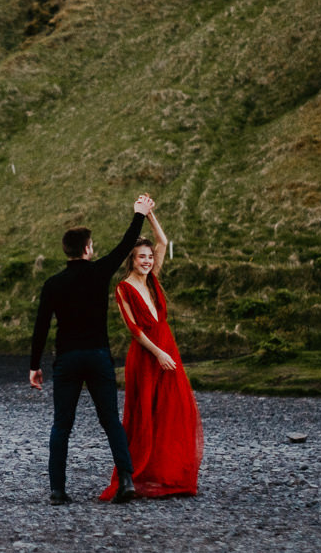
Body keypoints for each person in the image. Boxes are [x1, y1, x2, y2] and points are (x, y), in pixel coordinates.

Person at [28, 194, 151, 505]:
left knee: (62, 425)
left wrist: (34, 366)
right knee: (110, 419)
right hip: (97, 356)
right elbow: (125, 246)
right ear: (86, 249)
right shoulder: (99, 272)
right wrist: (139, 214)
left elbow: (41, 326)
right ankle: (126, 481)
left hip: (67, 359)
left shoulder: (53, 284)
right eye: (92, 245)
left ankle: (57, 490)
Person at [98, 207, 203, 500]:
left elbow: (163, 242)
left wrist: (151, 215)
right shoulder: (123, 287)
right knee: (144, 413)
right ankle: (135, 474)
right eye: (141, 257)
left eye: (149, 257)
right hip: (147, 355)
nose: (147, 260)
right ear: (132, 260)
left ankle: (167, 471)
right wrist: (158, 353)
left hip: (167, 350)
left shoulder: (153, 279)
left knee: (172, 409)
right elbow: (133, 329)